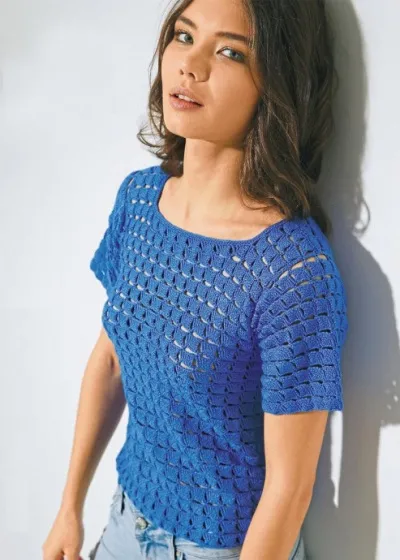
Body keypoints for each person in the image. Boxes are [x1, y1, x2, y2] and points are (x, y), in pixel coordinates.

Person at [42, 0, 349, 559]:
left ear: (276, 84)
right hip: (124, 518)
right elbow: (110, 360)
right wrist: (69, 508)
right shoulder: (139, 200)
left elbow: (289, 490)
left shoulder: (290, 270)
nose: (190, 64)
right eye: (184, 36)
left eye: (231, 52)